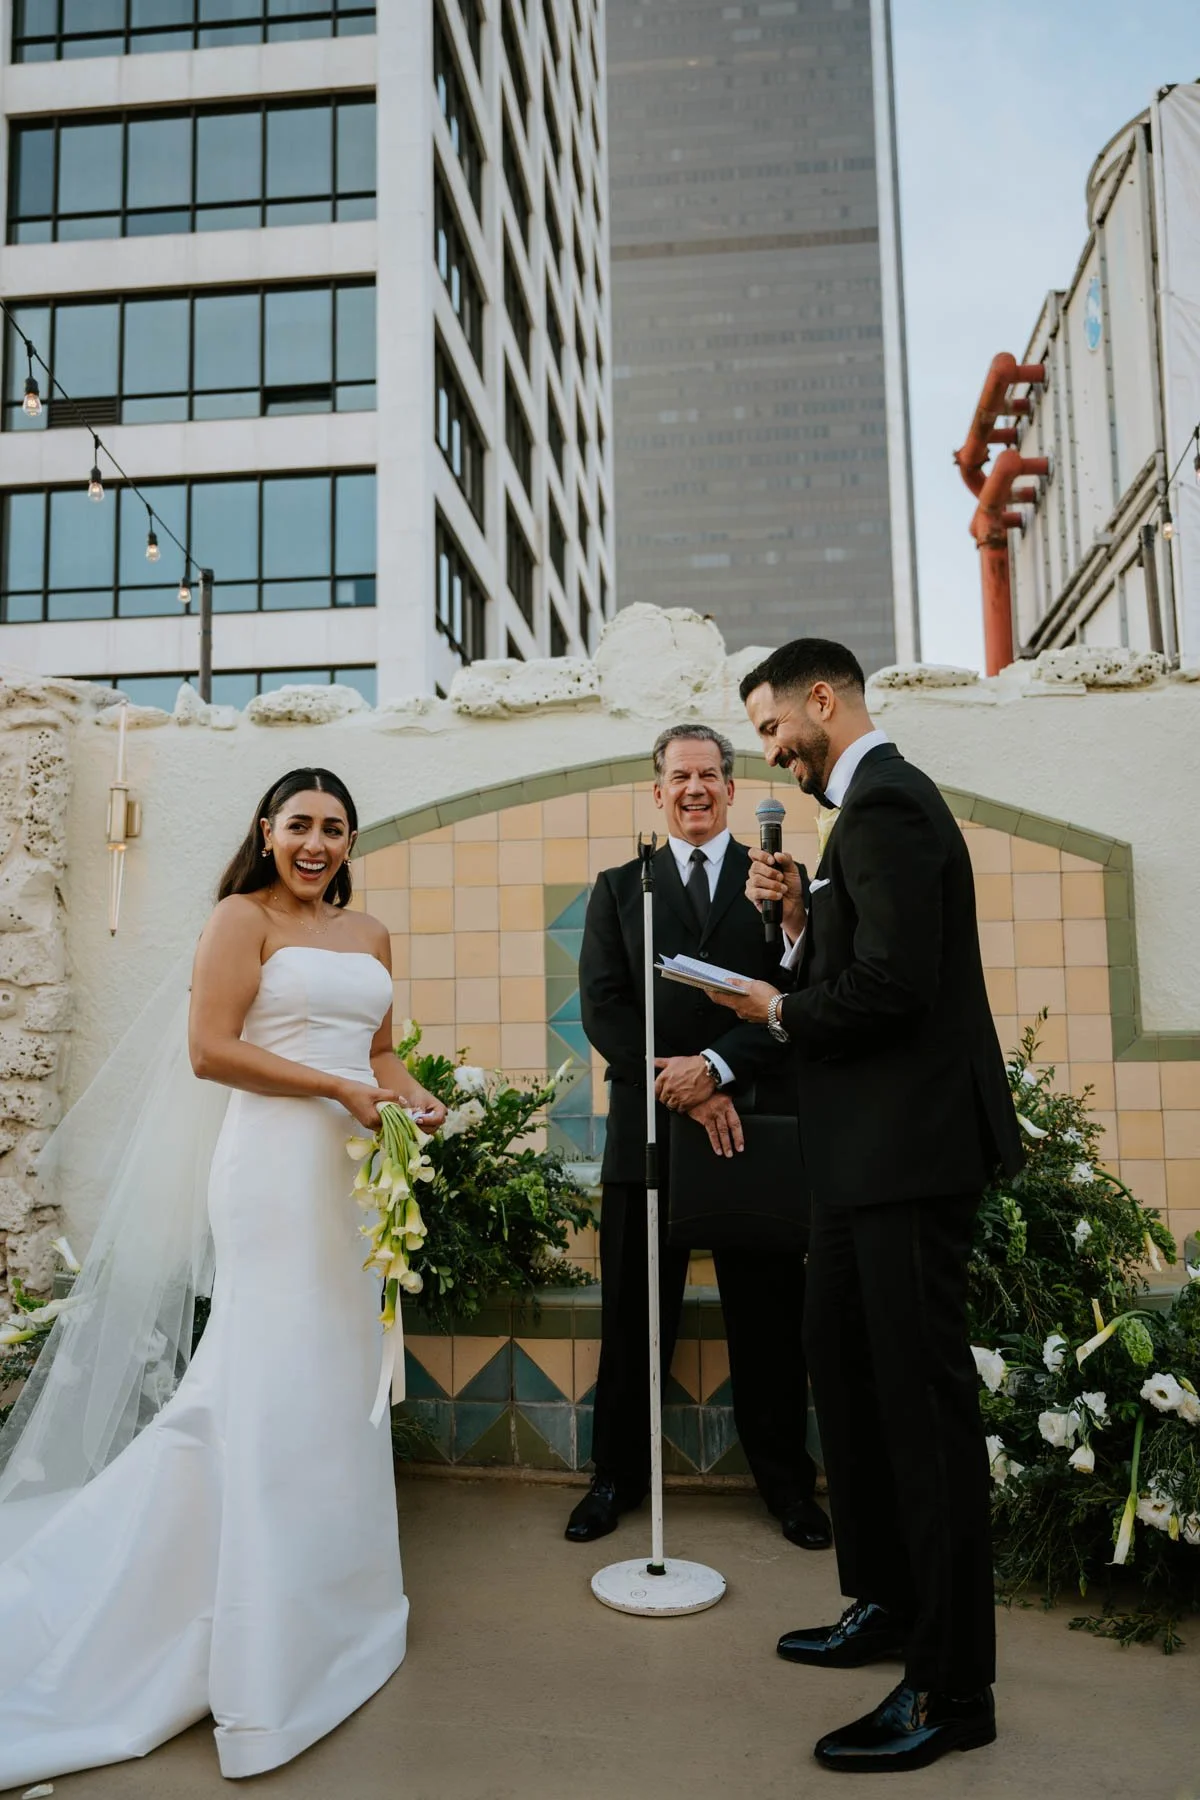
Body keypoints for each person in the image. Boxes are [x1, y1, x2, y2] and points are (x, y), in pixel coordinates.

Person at [0, 768, 447, 1786]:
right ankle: (255, 1638)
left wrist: (418, 1106)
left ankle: (337, 1614)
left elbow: (380, 1054)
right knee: (267, 1378)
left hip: (348, 1185)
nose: (318, 843)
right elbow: (211, 1050)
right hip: (271, 1175)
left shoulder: (371, 933)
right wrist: (337, 1088)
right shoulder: (239, 919)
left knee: (333, 1386)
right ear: (267, 829)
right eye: (300, 825)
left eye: (335, 827)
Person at [710, 640, 1023, 1775]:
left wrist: (773, 1009)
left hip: (907, 1158)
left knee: (920, 1416)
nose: (770, 749)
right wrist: (796, 930)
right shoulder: (858, 823)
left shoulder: (887, 807)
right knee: (838, 1366)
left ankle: (952, 1686)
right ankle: (888, 1605)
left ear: (823, 700)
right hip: (861, 1163)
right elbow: (856, 963)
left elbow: (894, 989)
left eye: (771, 726)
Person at [567, 724, 829, 1551]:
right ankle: (614, 1478)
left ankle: (787, 1484)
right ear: (656, 791)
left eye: (710, 775)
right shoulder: (618, 889)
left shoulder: (778, 882)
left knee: (769, 1316)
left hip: (749, 1126)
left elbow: (797, 990)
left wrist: (715, 1067)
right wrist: (677, 1083)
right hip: (648, 1128)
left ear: (728, 787)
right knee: (635, 1313)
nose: (695, 789)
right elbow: (605, 1009)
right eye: (679, 776)